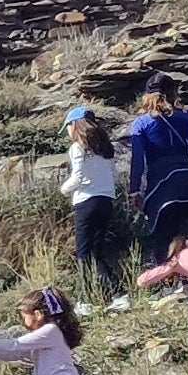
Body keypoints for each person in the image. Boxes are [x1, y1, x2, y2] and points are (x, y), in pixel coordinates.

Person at [124, 85, 188, 272]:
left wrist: (135, 190)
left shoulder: (141, 124)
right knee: (185, 232)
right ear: (173, 93)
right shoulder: (186, 118)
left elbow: (138, 160)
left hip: (163, 187)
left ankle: (166, 276)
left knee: (162, 238)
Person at [55, 110, 126, 294]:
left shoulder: (77, 148)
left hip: (86, 202)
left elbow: (78, 176)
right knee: (96, 252)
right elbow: (114, 174)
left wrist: (64, 189)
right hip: (106, 200)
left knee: (83, 253)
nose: (68, 132)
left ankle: (88, 297)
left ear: (75, 125)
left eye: (68, 127)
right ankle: (115, 291)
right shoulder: (104, 148)